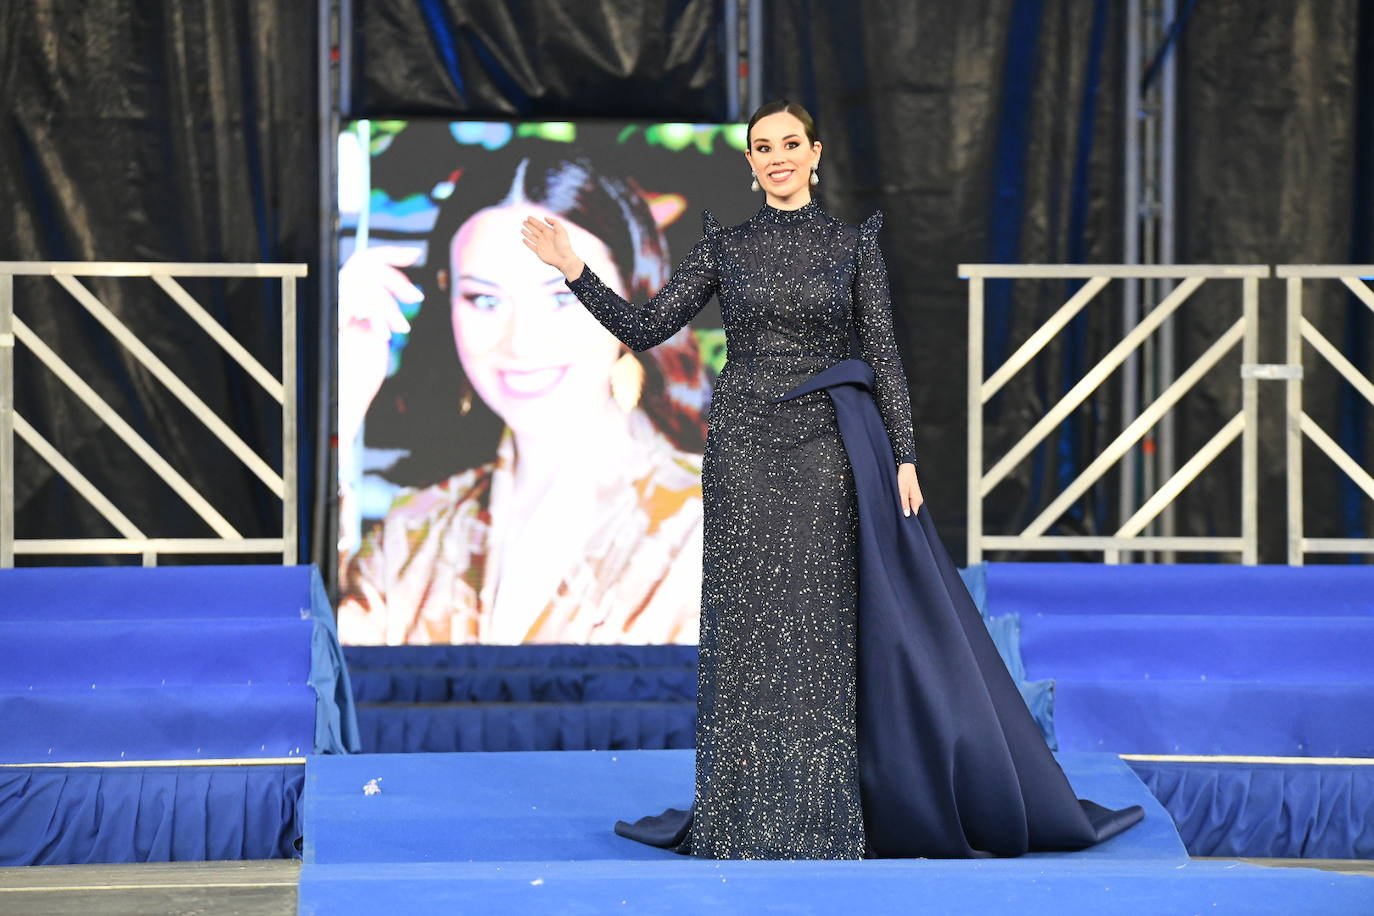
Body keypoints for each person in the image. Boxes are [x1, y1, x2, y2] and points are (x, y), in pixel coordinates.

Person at [524, 99, 1146, 859]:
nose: (777, 156)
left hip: (825, 453)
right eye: (762, 146)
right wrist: (576, 272)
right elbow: (648, 328)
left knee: (817, 635)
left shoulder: (853, 246)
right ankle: (744, 817)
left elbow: (882, 353)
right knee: (750, 637)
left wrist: (906, 455)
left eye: (790, 143)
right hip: (745, 453)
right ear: (749, 164)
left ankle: (824, 819)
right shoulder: (727, 245)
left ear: (815, 154)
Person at [337, 146, 710, 644]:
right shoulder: (415, 532)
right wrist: (338, 412)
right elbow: (301, 683)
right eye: (484, 299)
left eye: (563, 296)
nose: (522, 342)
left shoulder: (728, 521)